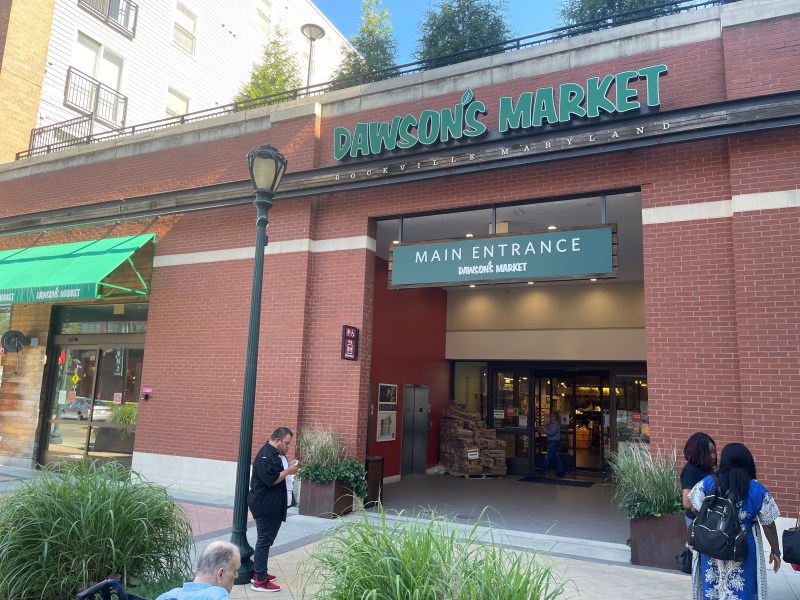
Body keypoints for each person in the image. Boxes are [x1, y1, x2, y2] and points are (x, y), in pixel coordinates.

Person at [688, 442, 781, 600]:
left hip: (711, 545)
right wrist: (775, 550)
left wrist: (713, 520)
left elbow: (693, 507)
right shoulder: (756, 489)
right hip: (742, 547)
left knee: (712, 588)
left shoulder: (709, 482)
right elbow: (769, 524)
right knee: (742, 589)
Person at [247, 426, 299, 593]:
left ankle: (259, 573)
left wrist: (288, 466)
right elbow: (271, 479)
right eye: (286, 443)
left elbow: (277, 472)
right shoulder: (265, 455)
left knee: (266, 541)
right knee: (264, 541)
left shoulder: (274, 454)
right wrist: (289, 471)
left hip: (271, 505)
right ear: (277, 440)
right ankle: (260, 581)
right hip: (264, 505)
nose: (288, 447)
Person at [155, 541, 240, 600]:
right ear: (220, 574)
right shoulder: (217, 594)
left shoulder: (166, 596)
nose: (236, 576)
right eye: (234, 571)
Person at [680, 432, 717, 529]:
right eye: (709, 453)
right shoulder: (691, 470)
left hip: (708, 520)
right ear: (698, 453)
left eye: (714, 452)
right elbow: (687, 502)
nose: (713, 456)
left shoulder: (708, 469)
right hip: (697, 521)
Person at [537, 413, 565, 478]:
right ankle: (561, 471)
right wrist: (542, 430)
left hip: (553, 443)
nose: (550, 417)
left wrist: (543, 430)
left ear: (555, 417)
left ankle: (542, 469)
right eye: (550, 416)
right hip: (553, 442)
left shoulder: (555, 425)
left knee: (548, 456)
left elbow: (551, 433)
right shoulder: (552, 424)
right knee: (557, 458)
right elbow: (549, 432)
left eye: (551, 416)